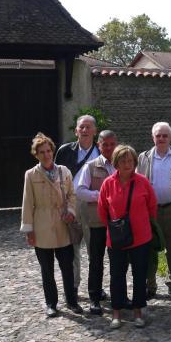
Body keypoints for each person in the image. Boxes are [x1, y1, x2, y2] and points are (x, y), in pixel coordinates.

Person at [20, 132, 83, 318]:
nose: (46, 155)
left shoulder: (64, 171)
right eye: (42, 152)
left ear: (53, 151)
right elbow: (27, 202)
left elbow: (72, 194)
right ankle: (51, 303)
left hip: (63, 224)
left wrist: (71, 212)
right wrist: (28, 229)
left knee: (67, 267)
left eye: (48, 151)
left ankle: (72, 301)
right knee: (46, 270)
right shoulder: (31, 175)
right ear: (36, 154)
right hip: (42, 226)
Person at [97, 145, 158, 329]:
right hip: (116, 239)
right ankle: (117, 312)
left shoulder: (142, 181)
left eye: (130, 160)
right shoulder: (108, 183)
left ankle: (138, 311)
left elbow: (152, 206)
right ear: (116, 163)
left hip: (141, 238)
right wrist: (115, 228)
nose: (127, 164)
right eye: (123, 160)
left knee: (140, 275)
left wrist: (142, 224)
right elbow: (102, 209)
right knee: (117, 275)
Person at [137, 122, 171, 300]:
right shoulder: (143, 157)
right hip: (151, 210)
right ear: (153, 137)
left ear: (170, 137)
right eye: (158, 135)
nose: (162, 138)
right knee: (149, 247)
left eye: (165, 135)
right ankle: (151, 285)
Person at [54, 114, 100, 300]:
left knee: (94, 251)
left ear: (95, 131)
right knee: (71, 248)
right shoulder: (65, 151)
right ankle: (72, 286)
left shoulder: (102, 151)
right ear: (76, 131)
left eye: (89, 127)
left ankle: (95, 288)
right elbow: (55, 176)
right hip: (70, 204)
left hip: (92, 206)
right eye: (82, 127)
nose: (85, 130)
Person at [76, 129, 118, 315]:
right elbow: (80, 191)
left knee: (118, 261)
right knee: (96, 260)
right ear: (98, 146)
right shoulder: (90, 166)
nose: (108, 148)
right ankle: (94, 297)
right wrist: (101, 196)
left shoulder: (123, 164)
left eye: (111, 144)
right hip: (97, 221)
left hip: (118, 221)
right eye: (104, 144)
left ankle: (119, 296)